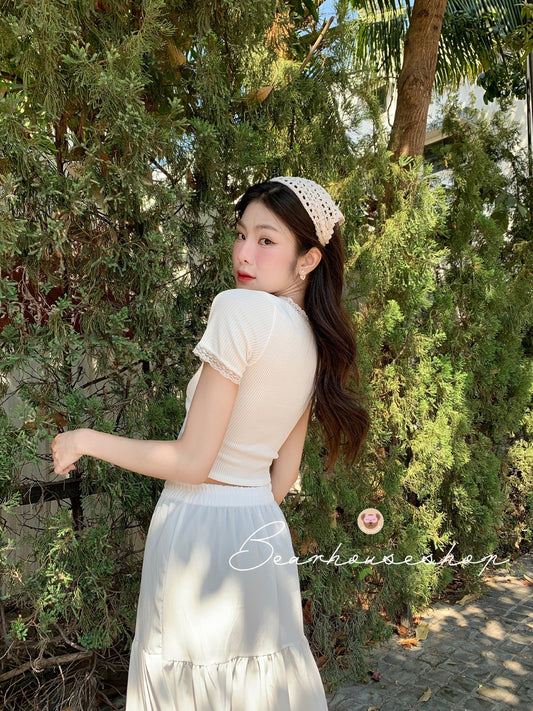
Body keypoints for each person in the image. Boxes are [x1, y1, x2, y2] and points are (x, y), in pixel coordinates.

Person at [51, 176, 370, 711]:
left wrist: (85, 439)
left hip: (199, 530)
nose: (244, 253)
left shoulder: (241, 310)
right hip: (260, 532)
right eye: (241, 234)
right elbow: (282, 478)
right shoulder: (314, 342)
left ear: (308, 259)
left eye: (266, 240)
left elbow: (193, 461)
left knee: (190, 688)